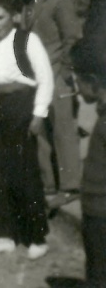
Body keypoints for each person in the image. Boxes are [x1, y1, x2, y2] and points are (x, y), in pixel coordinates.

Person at [0, 0, 53, 260]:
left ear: (13, 17)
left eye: (0, 18)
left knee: (25, 172)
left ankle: (35, 236)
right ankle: (4, 235)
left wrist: (38, 113)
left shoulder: (28, 40)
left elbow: (45, 79)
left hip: (20, 106)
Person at [18, 0, 82, 208]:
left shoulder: (57, 1)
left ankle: (71, 186)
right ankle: (48, 186)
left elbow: (73, 39)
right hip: (36, 77)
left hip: (56, 74)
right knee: (41, 133)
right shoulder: (27, 4)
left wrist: (64, 72)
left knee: (64, 131)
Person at [71, 37, 106, 287]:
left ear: (93, 82)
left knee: (97, 275)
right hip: (95, 207)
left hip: (100, 212)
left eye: (77, 81)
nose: (75, 89)